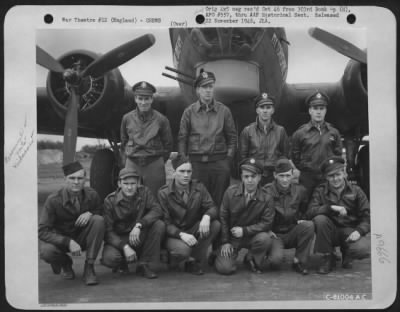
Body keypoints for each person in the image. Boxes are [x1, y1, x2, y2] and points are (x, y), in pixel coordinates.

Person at [39, 161, 105, 286]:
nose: (76, 182)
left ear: (85, 180)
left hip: (82, 238)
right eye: (72, 178)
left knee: (98, 220)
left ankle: (89, 267)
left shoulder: (92, 195)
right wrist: (68, 242)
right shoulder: (53, 200)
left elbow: (101, 210)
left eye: (80, 178)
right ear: (65, 179)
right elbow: (42, 231)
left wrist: (90, 213)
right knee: (46, 252)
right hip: (62, 241)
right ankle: (65, 263)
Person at [177, 69, 237, 207]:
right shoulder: (189, 112)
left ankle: (220, 228)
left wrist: (227, 161)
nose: (208, 90)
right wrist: (185, 161)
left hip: (219, 164)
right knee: (197, 202)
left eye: (210, 86)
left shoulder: (224, 111)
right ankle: (200, 228)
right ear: (198, 90)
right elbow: (182, 138)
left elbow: (232, 138)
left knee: (220, 202)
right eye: (204, 87)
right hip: (197, 165)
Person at [158, 154, 221, 275]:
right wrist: (181, 234)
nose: (186, 175)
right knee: (184, 250)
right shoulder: (164, 193)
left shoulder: (199, 187)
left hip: (192, 228)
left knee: (215, 224)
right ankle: (175, 255)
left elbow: (212, 207)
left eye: (189, 171)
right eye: (182, 171)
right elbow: (165, 222)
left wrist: (207, 217)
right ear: (173, 172)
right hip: (174, 233)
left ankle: (193, 261)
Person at [307, 156, 370, 274]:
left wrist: (359, 231)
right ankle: (327, 257)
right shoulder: (320, 191)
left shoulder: (356, 191)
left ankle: (348, 252)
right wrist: (329, 208)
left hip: (349, 231)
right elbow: (310, 212)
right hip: (330, 232)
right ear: (326, 177)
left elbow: (367, 216)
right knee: (320, 219)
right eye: (331, 176)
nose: (335, 179)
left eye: (338, 174)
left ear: (344, 173)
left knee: (362, 249)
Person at [101, 167, 165, 279]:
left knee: (159, 224)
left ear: (138, 183)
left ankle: (143, 264)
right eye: (126, 183)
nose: (129, 187)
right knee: (110, 259)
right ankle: (122, 262)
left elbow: (157, 209)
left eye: (133, 183)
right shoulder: (109, 201)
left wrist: (140, 224)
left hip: (139, 234)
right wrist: (124, 246)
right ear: (119, 184)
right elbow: (108, 231)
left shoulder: (145, 192)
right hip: (120, 239)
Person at [215, 158, 275, 275]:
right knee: (225, 269)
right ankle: (217, 254)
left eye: (253, 176)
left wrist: (245, 230)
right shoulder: (230, 192)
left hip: (252, 236)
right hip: (232, 238)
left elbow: (267, 223)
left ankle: (251, 258)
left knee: (265, 239)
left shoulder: (267, 198)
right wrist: (225, 241)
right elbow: (223, 217)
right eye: (246, 176)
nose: (250, 180)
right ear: (241, 177)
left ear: (259, 177)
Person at [120, 81, 173, 196]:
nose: (143, 102)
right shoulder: (127, 118)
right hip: (133, 163)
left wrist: (158, 162)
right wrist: (127, 160)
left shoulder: (161, 120)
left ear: (152, 99)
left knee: (155, 198)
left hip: (153, 163)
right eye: (140, 98)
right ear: (135, 99)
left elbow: (168, 145)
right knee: (130, 197)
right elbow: (123, 141)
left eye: (147, 98)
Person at [262, 158, 314, 275]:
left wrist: (302, 218)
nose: (285, 179)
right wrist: (267, 230)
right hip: (275, 235)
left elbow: (306, 209)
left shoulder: (300, 190)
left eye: (287, 175)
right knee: (275, 262)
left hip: (292, 231)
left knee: (309, 225)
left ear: (292, 175)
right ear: (275, 175)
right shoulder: (265, 191)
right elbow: (258, 214)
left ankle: (298, 261)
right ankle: (266, 254)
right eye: (281, 176)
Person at [291, 90, 343, 197]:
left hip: (327, 177)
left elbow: (338, 154)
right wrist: (306, 168)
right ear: (310, 111)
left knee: (327, 206)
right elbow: (294, 156)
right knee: (304, 206)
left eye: (321, 109)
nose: (318, 112)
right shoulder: (300, 133)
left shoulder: (333, 132)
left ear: (325, 111)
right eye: (315, 109)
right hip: (307, 179)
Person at [239, 92, 290, 186]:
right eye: (262, 107)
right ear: (257, 110)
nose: (265, 111)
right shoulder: (247, 131)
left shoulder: (281, 131)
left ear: (273, 110)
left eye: (268, 107)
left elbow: (285, 156)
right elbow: (242, 159)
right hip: (254, 176)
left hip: (274, 177)